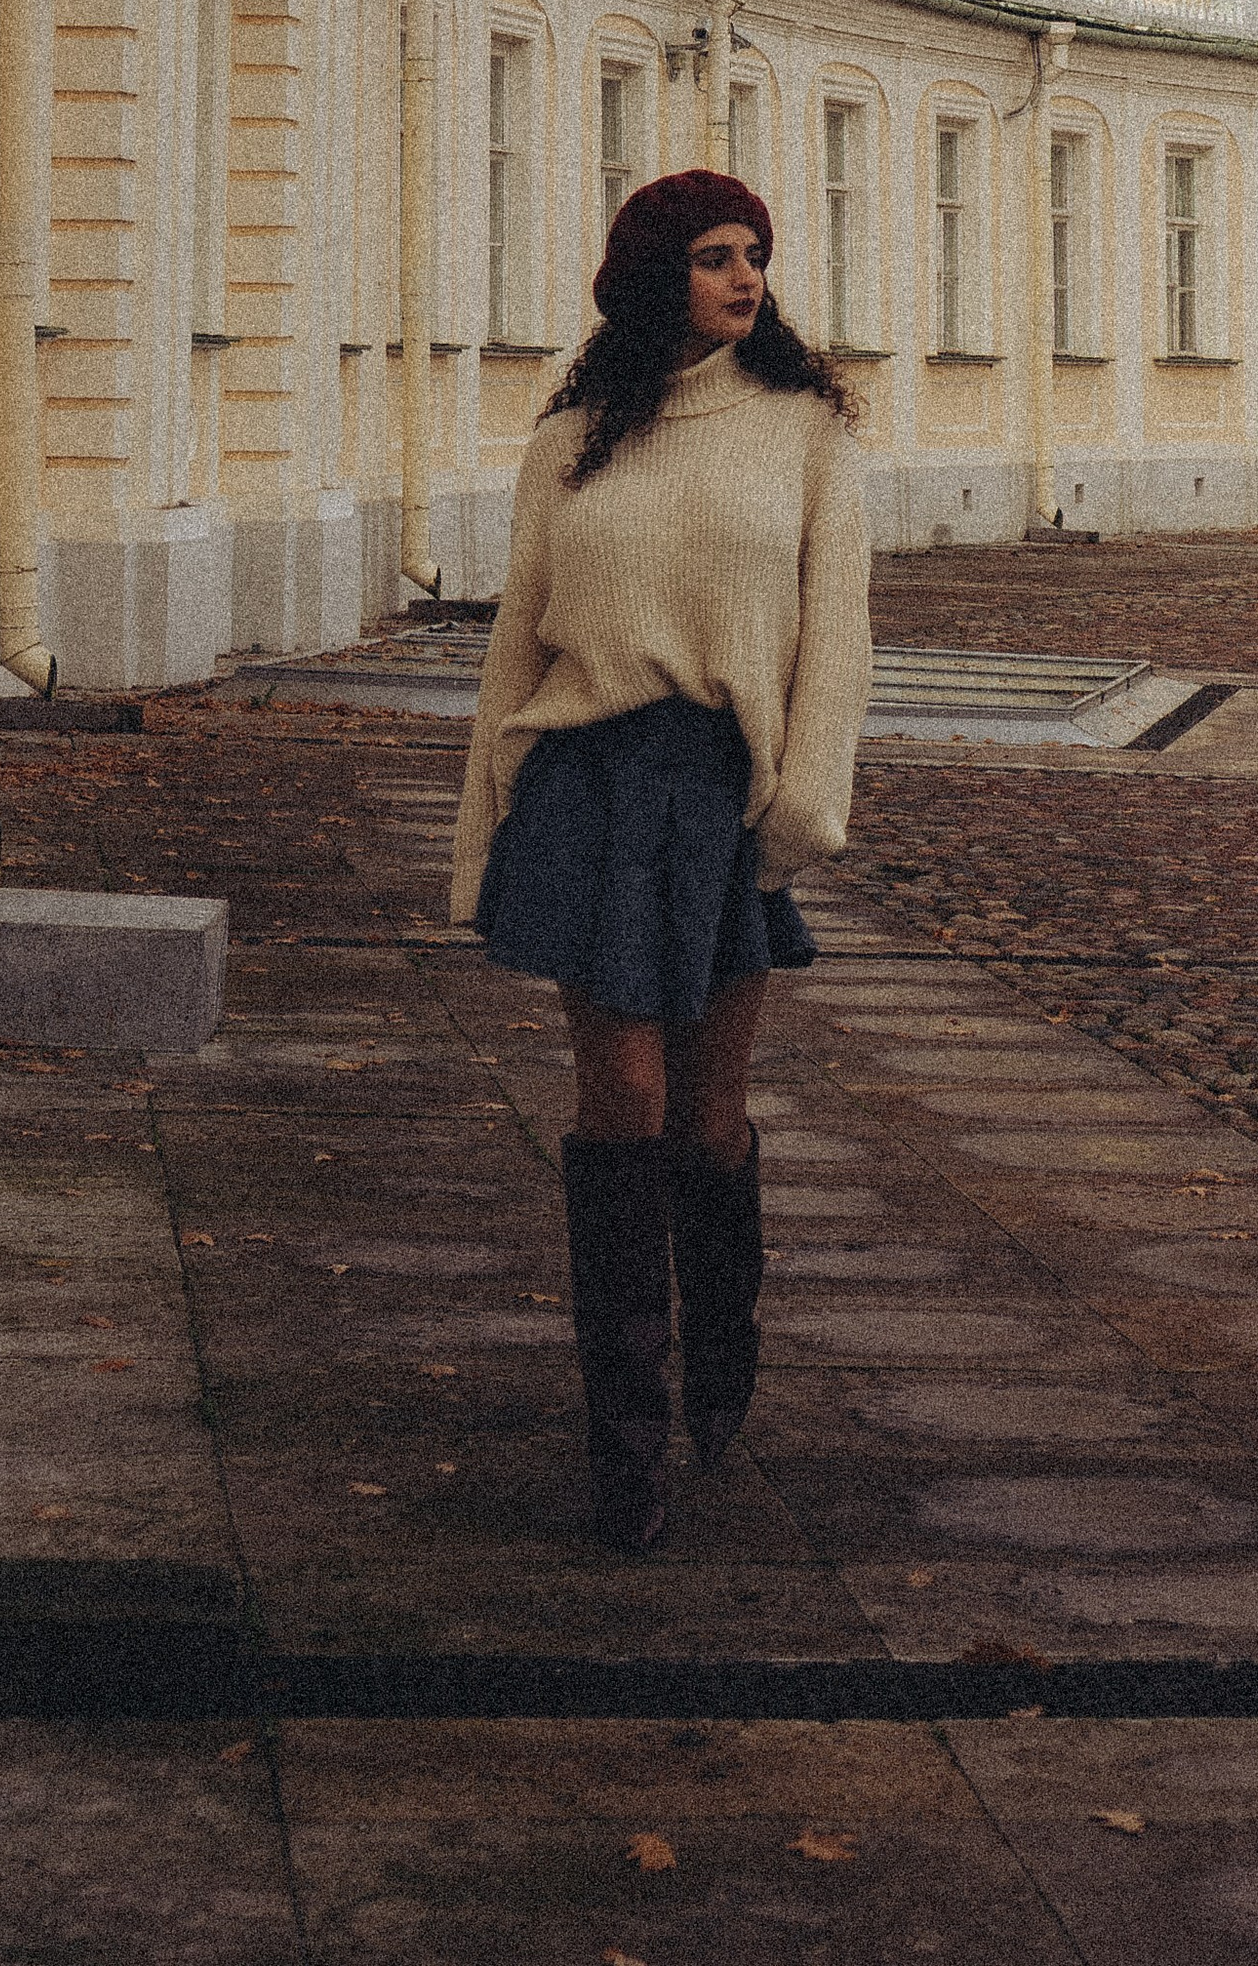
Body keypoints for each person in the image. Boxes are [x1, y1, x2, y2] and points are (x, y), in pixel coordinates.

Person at [449, 168, 871, 1549]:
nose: (745, 277)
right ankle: (624, 1445)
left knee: (709, 1116)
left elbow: (839, 634)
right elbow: (518, 639)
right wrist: (483, 832)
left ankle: (722, 1360)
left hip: (721, 793)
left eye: (755, 253)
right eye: (713, 256)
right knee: (623, 1097)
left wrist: (801, 808)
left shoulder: (805, 430)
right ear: (653, 276)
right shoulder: (571, 441)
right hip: (586, 783)